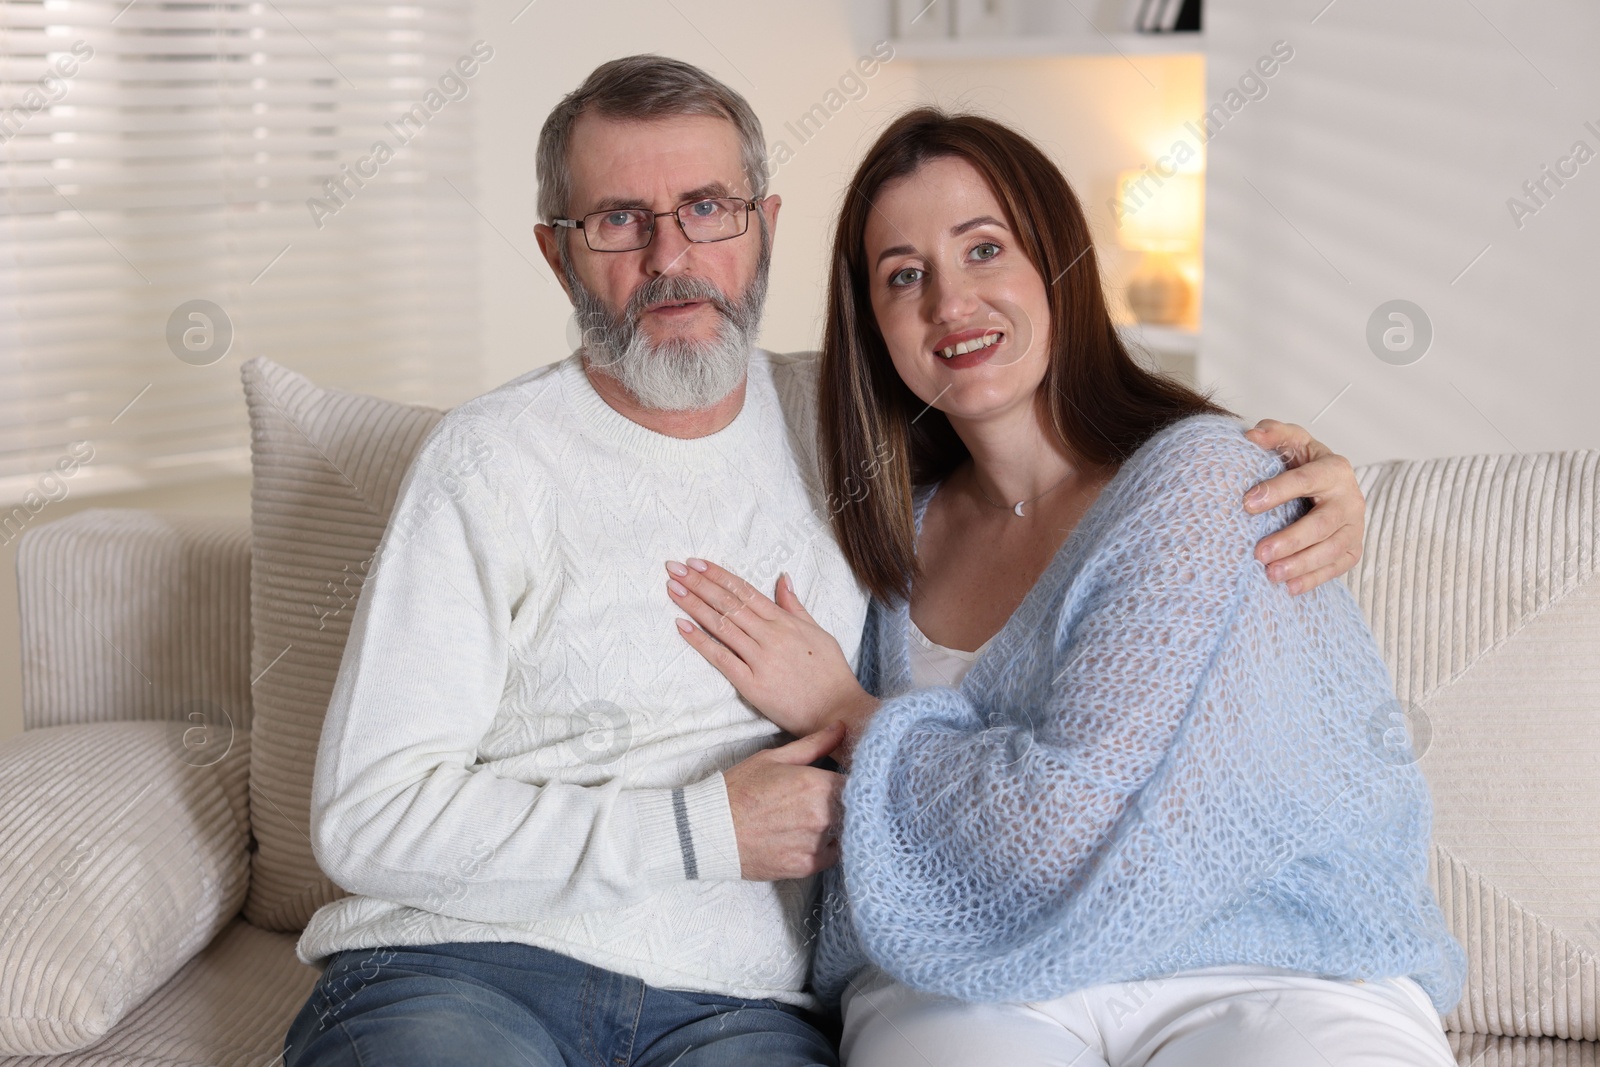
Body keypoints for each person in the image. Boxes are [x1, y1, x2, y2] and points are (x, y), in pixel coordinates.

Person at [280, 57, 1371, 1067]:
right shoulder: (486, 463)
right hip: (465, 967)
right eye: (618, 219)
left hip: (734, 1008)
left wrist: (1308, 475)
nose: (671, 258)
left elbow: (1058, 453)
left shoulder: (854, 433)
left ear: (762, 227)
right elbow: (363, 814)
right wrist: (704, 825)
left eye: (706, 208)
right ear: (556, 248)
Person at [663, 108, 1466, 1067]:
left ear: (1060, 265)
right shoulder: (886, 539)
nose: (950, 303)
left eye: (985, 248)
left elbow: (1056, 821)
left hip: (1261, 962)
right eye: (903, 275)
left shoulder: (1202, 482)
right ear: (873, 325)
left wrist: (847, 709)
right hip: (968, 974)